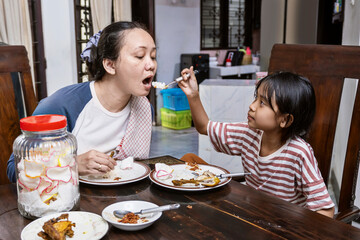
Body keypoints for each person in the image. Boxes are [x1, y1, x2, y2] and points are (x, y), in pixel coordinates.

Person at [7, 21, 157, 181]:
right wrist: (74, 164)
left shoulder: (145, 109)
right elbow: (14, 170)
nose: (151, 65)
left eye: (153, 57)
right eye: (140, 56)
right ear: (110, 65)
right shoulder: (62, 106)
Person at [178, 67, 335, 218]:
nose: (251, 106)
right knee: (188, 158)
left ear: (285, 119)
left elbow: (325, 209)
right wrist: (193, 95)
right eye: (256, 98)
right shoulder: (249, 133)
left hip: (284, 224)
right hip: (252, 213)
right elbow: (205, 127)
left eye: (262, 103)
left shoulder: (299, 153)